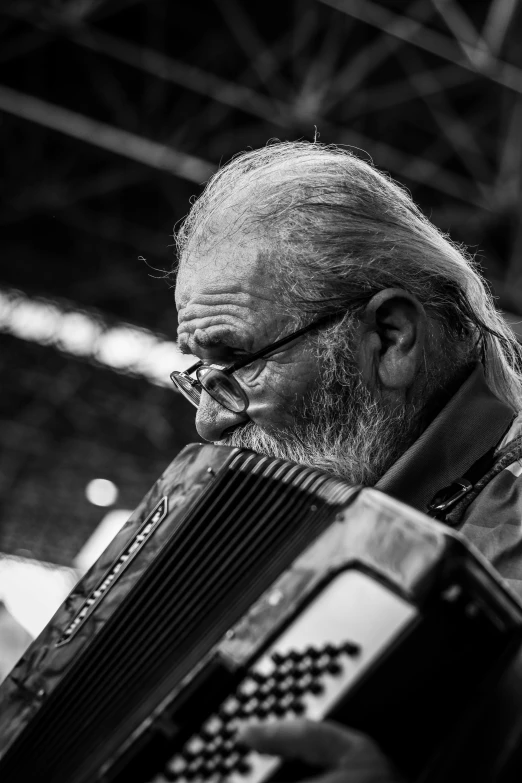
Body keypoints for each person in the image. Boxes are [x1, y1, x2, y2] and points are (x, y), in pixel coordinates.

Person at [171, 141, 522, 782]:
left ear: (391, 338)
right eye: (202, 375)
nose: (209, 418)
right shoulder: (339, 527)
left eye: (238, 361)